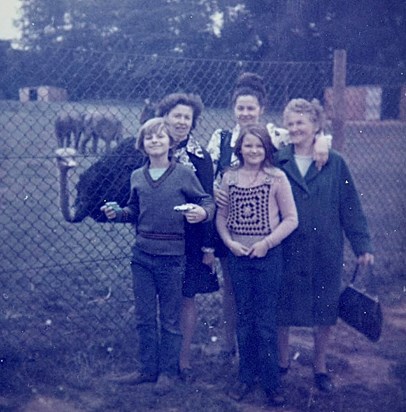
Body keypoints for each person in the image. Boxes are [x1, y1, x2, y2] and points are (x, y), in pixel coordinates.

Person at [206, 72, 331, 358]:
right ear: (233, 109)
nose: (246, 113)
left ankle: (266, 350)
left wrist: (323, 139)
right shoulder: (221, 138)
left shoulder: (273, 135)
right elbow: (206, 174)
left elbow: (307, 133)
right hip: (232, 226)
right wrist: (213, 192)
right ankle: (230, 345)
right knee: (232, 289)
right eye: (241, 108)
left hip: (265, 228)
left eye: (251, 108)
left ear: (261, 109)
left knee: (265, 293)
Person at [100, 117, 215, 394]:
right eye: (149, 137)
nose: (155, 141)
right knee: (144, 316)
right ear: (142, 144)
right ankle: (146, 369)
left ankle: (168, 372)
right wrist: (118, 213)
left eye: (160, 136)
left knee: (170, 318)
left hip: (172, 258)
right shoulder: (137, 177)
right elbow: (133, 211)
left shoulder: (183, 175)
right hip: (142, 257)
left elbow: (206, 201)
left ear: (170, 142)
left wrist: (203, 213)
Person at [276, 98, 374, 393]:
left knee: (325, 307)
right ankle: (282, 363)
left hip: (324, 248)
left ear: (316, 126)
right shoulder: (278, 159)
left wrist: (362, 245)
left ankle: (320, 367)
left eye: (301, 123)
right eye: (290, 123)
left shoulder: (336, 162)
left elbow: (350, 207)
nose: (295, 129)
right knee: (283, 306)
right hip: (286, 247)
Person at [216, 124, 298, 406]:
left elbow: (291, 219)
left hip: (267, 257)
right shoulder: (229, 177)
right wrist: (228, 243)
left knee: (265, 321)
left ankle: (271, 381)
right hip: (238, 257)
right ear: (240, 148)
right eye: (248, 146)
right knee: (244, 318)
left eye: (259, 146)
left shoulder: (277, 178)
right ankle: (245, 377)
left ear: (267, 150)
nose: (254, 151)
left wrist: (266, 244)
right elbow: (221, 217)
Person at [155, 93, 218, 382]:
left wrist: (208, 245)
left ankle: (183, 359)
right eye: (176, 115)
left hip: (189, 239)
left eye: (187, 117)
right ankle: (160, 356)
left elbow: (208, 201)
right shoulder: (152, 148)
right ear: (164, 116)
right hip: (156, 236)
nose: (181, 121)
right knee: (160, 297)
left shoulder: (201, 157)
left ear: (193, 122)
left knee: (186, 296)